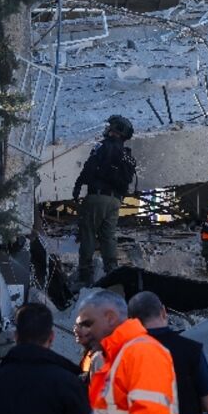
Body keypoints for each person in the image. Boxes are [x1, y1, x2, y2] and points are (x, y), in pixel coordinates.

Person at [72, 115, 137, 287]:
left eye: (111, 126)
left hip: (97, 196)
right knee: (108, 237)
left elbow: (90, 167)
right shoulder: (127, 154)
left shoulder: (103, 146)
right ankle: (112, 271)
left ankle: (85, 275)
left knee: (88, 234)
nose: (108, 129)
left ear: (116, 130)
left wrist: (78, 186)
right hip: (115, 201)